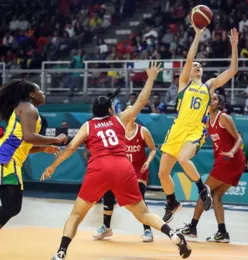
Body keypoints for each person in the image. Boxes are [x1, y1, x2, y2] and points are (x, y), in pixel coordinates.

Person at [40, 61, 192, 260]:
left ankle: (61, 253)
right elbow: (141, 101)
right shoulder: (120, 119)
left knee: (76, 215)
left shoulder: (88, 125)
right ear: (110, 110)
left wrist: (52, 166)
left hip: (99, 167)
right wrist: (151, 77)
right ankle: (173, 234)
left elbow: (70, 148)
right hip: (123, 167)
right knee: (142, 214)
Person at [159, 22, 239, 223]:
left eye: (199, 65)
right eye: (195, 65)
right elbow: (189, 59)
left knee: (184, 159)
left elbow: (232, 71)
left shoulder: (208, 86)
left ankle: (202, 189)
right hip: (177, 128)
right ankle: (172, 202)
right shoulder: (184, 83)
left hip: (195, 130)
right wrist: (197, 35)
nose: (197, 66)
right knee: (162, 173)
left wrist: (235, 46)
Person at [177, 94, 245, 243]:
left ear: (220, 104)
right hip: (227, 161)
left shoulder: (224, 118)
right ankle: (222, 233)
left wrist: (232, 152)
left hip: (230, 159)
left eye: (214, 99)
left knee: (204, 191)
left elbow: (239, 139)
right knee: (216, 196)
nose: (211, 101)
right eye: (210, 99)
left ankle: (192, 227)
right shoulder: (208, 122)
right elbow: (201, 138)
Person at [0, 79, 67, 229]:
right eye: (40, 91)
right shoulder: (29, 108)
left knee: (12, 206)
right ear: (32, 94)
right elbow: (29, 137)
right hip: (6, 160)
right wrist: (56, 139)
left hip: (8, 159)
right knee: (11, 206)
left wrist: (43, 148)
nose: (43, 93)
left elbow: (23, 143)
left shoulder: (24, 108)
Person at [93, 105, 157, 242]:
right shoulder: (116, 132)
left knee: (139, 196)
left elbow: (153, 149)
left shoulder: (143, 131)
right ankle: (106, 227)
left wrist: (149, 161)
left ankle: (147, 230)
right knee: (108, 190)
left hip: (138, 171)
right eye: (128, 110)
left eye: (133, 110)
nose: (131, 112)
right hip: (121, 170)